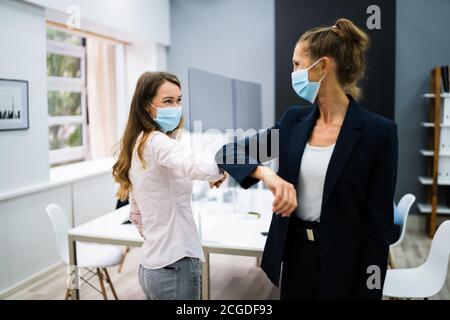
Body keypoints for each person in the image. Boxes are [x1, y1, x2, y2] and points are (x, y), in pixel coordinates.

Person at [216, 18, 398, 300]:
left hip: (345, 264)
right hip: (296, 256)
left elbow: (379, 223)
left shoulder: (378, 133)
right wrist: (269, 176)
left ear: (323, 66)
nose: (293, 72)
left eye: (297, 64)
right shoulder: (293, 122)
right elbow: (229, 153)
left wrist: (370, 290)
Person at [113, 71, 226, 300]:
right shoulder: (157, 142)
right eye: (167, 101)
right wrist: (226, 164)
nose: (176, 107)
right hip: (175, 265)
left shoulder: (138, 143)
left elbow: (136, 214)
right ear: (147, 106)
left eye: (179, 100)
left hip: (152, 266)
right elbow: (201, 165)